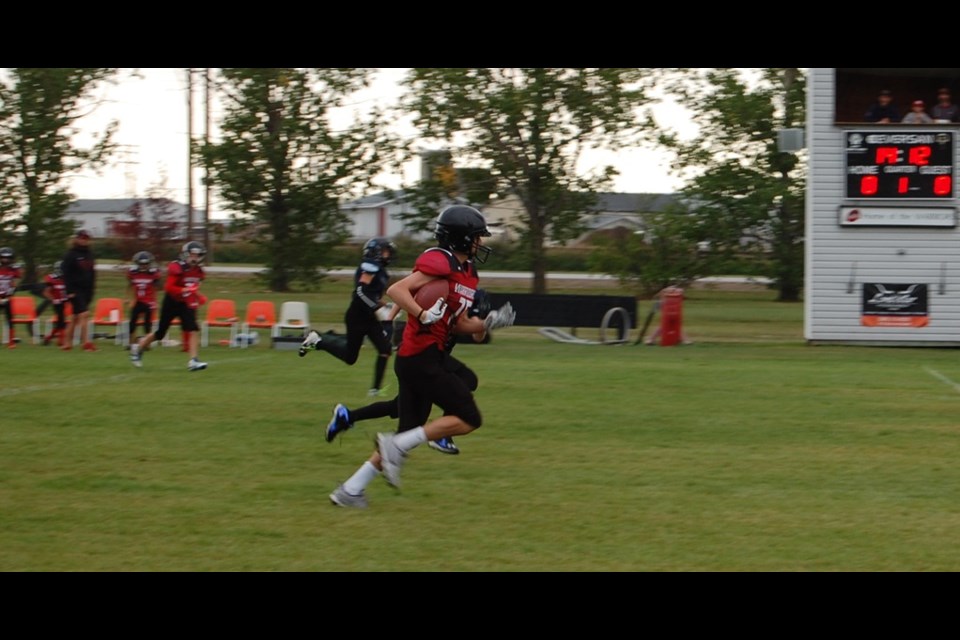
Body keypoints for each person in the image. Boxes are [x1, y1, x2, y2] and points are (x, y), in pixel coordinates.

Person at [328, 205, 516, 508]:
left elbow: (461, 323)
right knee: (469, 418)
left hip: (428, 357)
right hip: (421, 356)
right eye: (476, 236)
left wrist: (489, 323)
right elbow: (397, 290)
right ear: (460, 237)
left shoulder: (468, 273)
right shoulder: (440, 260)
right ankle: (397, 445)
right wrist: (422, 313)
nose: (480, 242)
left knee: (407, 433)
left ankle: (350, 490)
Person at [323, 288, 493, 456]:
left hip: (429, 363)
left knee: (399, 409)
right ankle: (440, 435)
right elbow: (406, 292)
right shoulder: (447, 299)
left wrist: (485, 321)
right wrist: (388, 321)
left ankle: (347, 417)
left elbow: (477, 336)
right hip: (421, 358)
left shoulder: (461, 311)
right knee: (467, 380)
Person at [299, 237, 399, 397]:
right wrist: (375, 307)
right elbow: (360, 292)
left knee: (385, 349)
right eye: (385, 251)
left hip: (369, 317)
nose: (388, 255)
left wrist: (383, 305)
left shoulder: (379, 270)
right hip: (357, 316)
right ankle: (319, 341)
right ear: (376, 252)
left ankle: (374, 390)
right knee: (350, 357)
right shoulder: (370, 267)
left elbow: (372, 295)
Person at [129, 241, 209, 371]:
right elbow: (169, 287)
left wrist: (198, 296)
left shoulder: (198, 271)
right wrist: (184, 291)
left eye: (197, 255)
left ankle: (193, 360)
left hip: (186, 302)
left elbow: (192, 287)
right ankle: (138, 348)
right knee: (160, 333)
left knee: (193, 328)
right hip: (171, 301)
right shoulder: (176, 266)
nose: (194, 258)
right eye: (192, 255)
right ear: (185, 254)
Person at [61, 229, 97, 352]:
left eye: (86, 238)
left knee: (75, 317)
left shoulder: (89, 255)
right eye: (81, 238)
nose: (83, 240)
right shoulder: (71, 254)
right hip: (75, 290)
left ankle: (66, 343)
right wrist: (69, 290)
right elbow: (65, 273)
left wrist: (92, 290)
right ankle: (86, 343)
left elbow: (92, 273)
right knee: (84, 314)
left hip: (86, 290)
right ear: (76, 239)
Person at [125, 250, 161, 347]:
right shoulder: (133, 273)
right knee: (132, 321)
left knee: (147, 323)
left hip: (149, 301)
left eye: (146, 264)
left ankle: (146, 343)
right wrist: (128, 298)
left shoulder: (153, 273)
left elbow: (159, 287)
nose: (144, 266)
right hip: (138, 300)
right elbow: (130, 285)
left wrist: (155, 302)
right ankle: (131, 342)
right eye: (142, 264)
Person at [41, 261, 70, 347]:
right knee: (61, 321)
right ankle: (60, 340)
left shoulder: (67, 279)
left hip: (64, 302)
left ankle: (49, 338)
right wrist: (53, 299)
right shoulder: (53, 278)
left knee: (60, 322)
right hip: (57, 303)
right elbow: (46, 292)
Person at [0, 246, 22, 348]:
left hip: (7, 296)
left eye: (8, 258)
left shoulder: (14, 270)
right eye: (4, 257)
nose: (6, 260)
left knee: (9, 318)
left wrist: (9, 296)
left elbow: (15, 284)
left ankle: (11, 341)